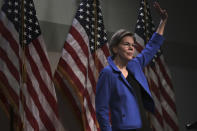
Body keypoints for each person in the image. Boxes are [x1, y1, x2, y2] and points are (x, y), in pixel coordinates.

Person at [95, 2, 168, 131]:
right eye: (126, 44)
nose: (131, 48)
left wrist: (163, 21)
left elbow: (152, 46)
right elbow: (101, 110)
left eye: (133, 45)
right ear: (115, 48)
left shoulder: (135, 65)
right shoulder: (107, 73)